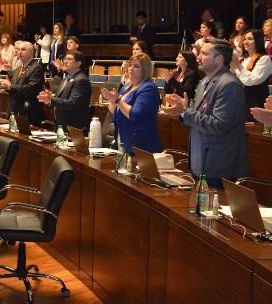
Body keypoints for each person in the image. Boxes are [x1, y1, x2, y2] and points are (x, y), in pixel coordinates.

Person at [163, 38, 249, 187]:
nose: (198, 57)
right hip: (202, 162)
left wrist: (185, 112)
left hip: (218, 166)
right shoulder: (205, 82)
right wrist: (184, 109)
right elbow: (201, 115)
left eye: (204, 53)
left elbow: (219, 125)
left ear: (219, 59)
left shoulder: (229, 84)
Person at [101, 53, 161, 153]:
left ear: (145, 70)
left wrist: (118, 100)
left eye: (136, 66)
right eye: (130, 65)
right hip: (123, 138)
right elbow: (115, 112)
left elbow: (135, 115)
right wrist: (112, 100)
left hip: (140, 144)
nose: (131, 68)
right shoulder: (126, 87)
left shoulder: (148, 88)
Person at [39, 50, 92, 134]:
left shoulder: (81, 80)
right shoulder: (66, 78)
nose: (65, 61)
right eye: (65, 59)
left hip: (73, 127)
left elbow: (73, 103)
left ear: (78, 63)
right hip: (61, 125)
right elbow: (60, 99)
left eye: (70, 59)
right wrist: (48, 100)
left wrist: (51, 99)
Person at [231, 29, 272, 122]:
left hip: (255, 102)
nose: (245, 42)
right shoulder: (242, 59)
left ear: (258, 41)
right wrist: (232, 69)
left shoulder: (264, 59)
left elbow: (251, 80)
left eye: (250, 39)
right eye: (245, 39)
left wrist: (238, 65)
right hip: (239, 101)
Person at [0, 41, 44, 124]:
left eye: (23, 49)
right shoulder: (18, 69)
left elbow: (31, 89)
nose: (19, 52)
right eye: (18, 49)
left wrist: (10, 86)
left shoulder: (36, 68)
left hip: (27, 113)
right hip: (14, 110)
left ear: (31, 53)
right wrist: (5, 86)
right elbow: (14, 88)